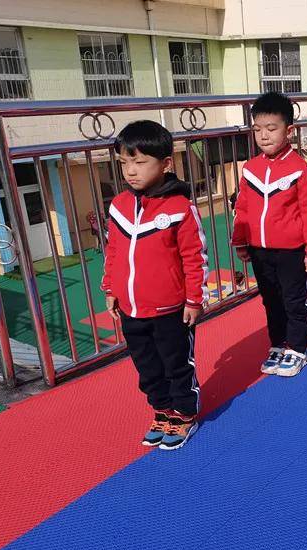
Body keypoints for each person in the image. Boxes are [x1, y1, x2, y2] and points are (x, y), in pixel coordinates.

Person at [102, 120, 208, 450]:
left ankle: (185, 414)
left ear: (165, 164)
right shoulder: (119, 205)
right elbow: (113, 249)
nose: (131, 171)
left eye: (140, 162)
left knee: (177, 364)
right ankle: (162, 410)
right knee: (147, 367)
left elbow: (195, 256)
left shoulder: (179, 208)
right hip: (131, 308)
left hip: (171, 309)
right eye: (124, 163)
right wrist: (110, 288)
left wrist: (194, 299)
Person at [232, 91, 307, 377]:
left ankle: (297, 349)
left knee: (294, 300)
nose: (264, 135)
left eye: (271, 129)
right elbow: (243, 207)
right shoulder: (250, 168)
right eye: (257, 129)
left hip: (292, 251)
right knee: (270, 299)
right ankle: (278, 344)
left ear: (289, 130)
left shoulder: (299, 169)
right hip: (260, 250)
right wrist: (240, 240)